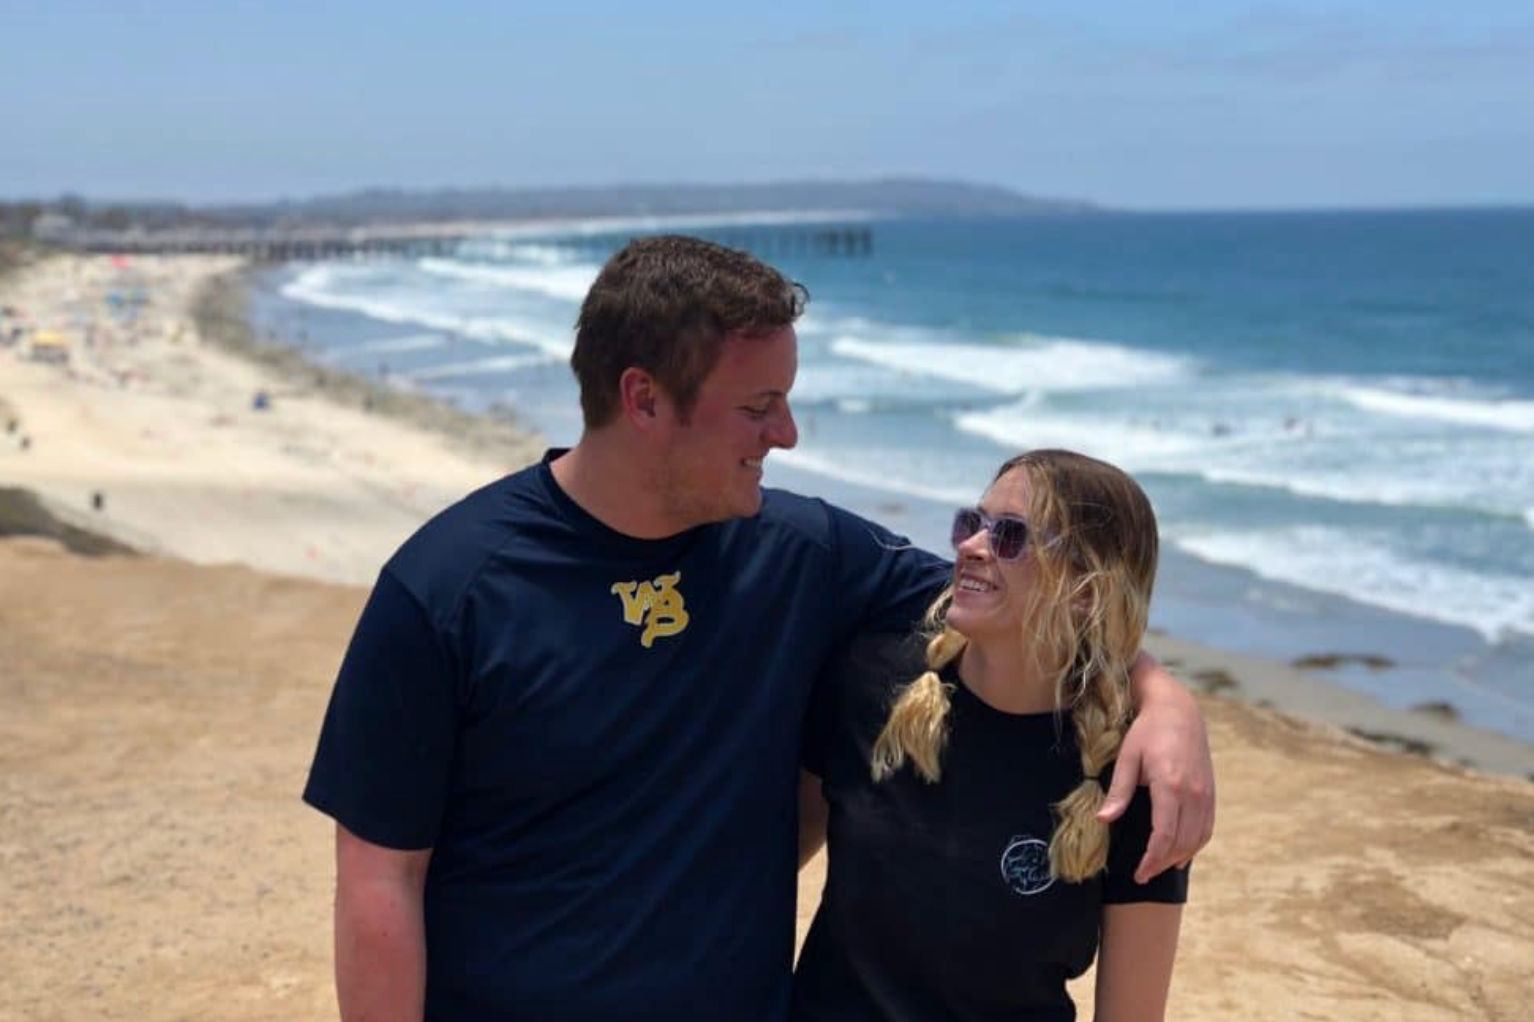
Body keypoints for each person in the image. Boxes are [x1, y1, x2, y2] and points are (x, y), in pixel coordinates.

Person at [302, 237, 1214, 1021]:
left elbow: (1023, 604)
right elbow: (382, 879)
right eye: (757, 405)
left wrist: (1164, 699)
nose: (787, 432)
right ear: (645, 399)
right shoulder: (449, 587)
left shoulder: (804, 553)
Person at [793, 449, 1187, 1021]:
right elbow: (766, 873)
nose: (971, 546)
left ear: (1085, 590)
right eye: (971, 523)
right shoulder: (867, 684)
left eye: (1010, 536)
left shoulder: (1133, 777)